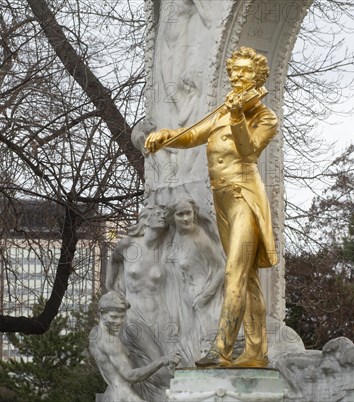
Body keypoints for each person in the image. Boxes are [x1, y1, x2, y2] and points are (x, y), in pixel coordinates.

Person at [145, 46, 278, 368]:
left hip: (245, 196)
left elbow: (249, 150)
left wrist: (236, 117)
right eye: (233, 71)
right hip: (221, 201)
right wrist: (166, 136)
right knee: (246, 278)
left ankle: (221, 350)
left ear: (258, 76)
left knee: (234, 270)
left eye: (244, 71)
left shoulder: (264, 116)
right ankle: (256, 352)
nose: (236, 76)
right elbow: (191, 137)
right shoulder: (221, 112)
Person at [106, 206, 191, 399]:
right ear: (146, 220)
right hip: (135, 316)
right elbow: (113, 261)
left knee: (179, 363)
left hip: (161, 315)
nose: (162, 217)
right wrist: (111, 288)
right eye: (157, 215)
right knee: (158, 367)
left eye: (163, 215)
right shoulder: (128, 245)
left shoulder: (165, 250)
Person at [89, 292, 181, 402]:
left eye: (122, 317)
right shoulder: (110, 342)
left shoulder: (94, 334)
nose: (118, 322)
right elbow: (131, 376)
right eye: (113, 317)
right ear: (101, 313)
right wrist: (162, 360)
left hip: (113, 394)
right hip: (125, 396)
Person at [166, 196, 225, 358]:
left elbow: (222, 267)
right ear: (173, 217)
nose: (185, 218)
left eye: (188, 213)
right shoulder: (174, 237)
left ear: (194, 213)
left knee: (207, 351)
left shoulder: (200, 237)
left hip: (204, 300)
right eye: (180, 214)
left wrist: (206, 296)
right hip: (184, 300)